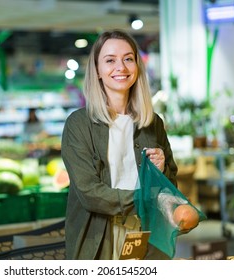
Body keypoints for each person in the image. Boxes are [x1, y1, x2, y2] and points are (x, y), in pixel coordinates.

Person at [61, 29, 178, 260]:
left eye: (128, 59)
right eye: (110, 60)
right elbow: (88, 192)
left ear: (137, 67)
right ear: (97, 71)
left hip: (147, 233)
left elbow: (171, 184)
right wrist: (144, 200)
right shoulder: (79, 124)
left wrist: (162, 171)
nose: (121, 68)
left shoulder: (152, 123)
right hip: (98, 236)